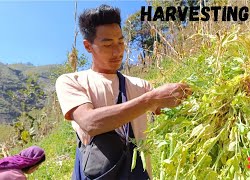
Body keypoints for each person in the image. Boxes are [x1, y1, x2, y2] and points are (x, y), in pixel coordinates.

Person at [55, 4, 191, 180]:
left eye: (120, 41)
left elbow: (174, 110)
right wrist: (151, 100)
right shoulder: (72, 81)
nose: (117, 50)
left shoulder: (140, 85)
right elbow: (90, 122)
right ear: (88, 46)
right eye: (107, 44)